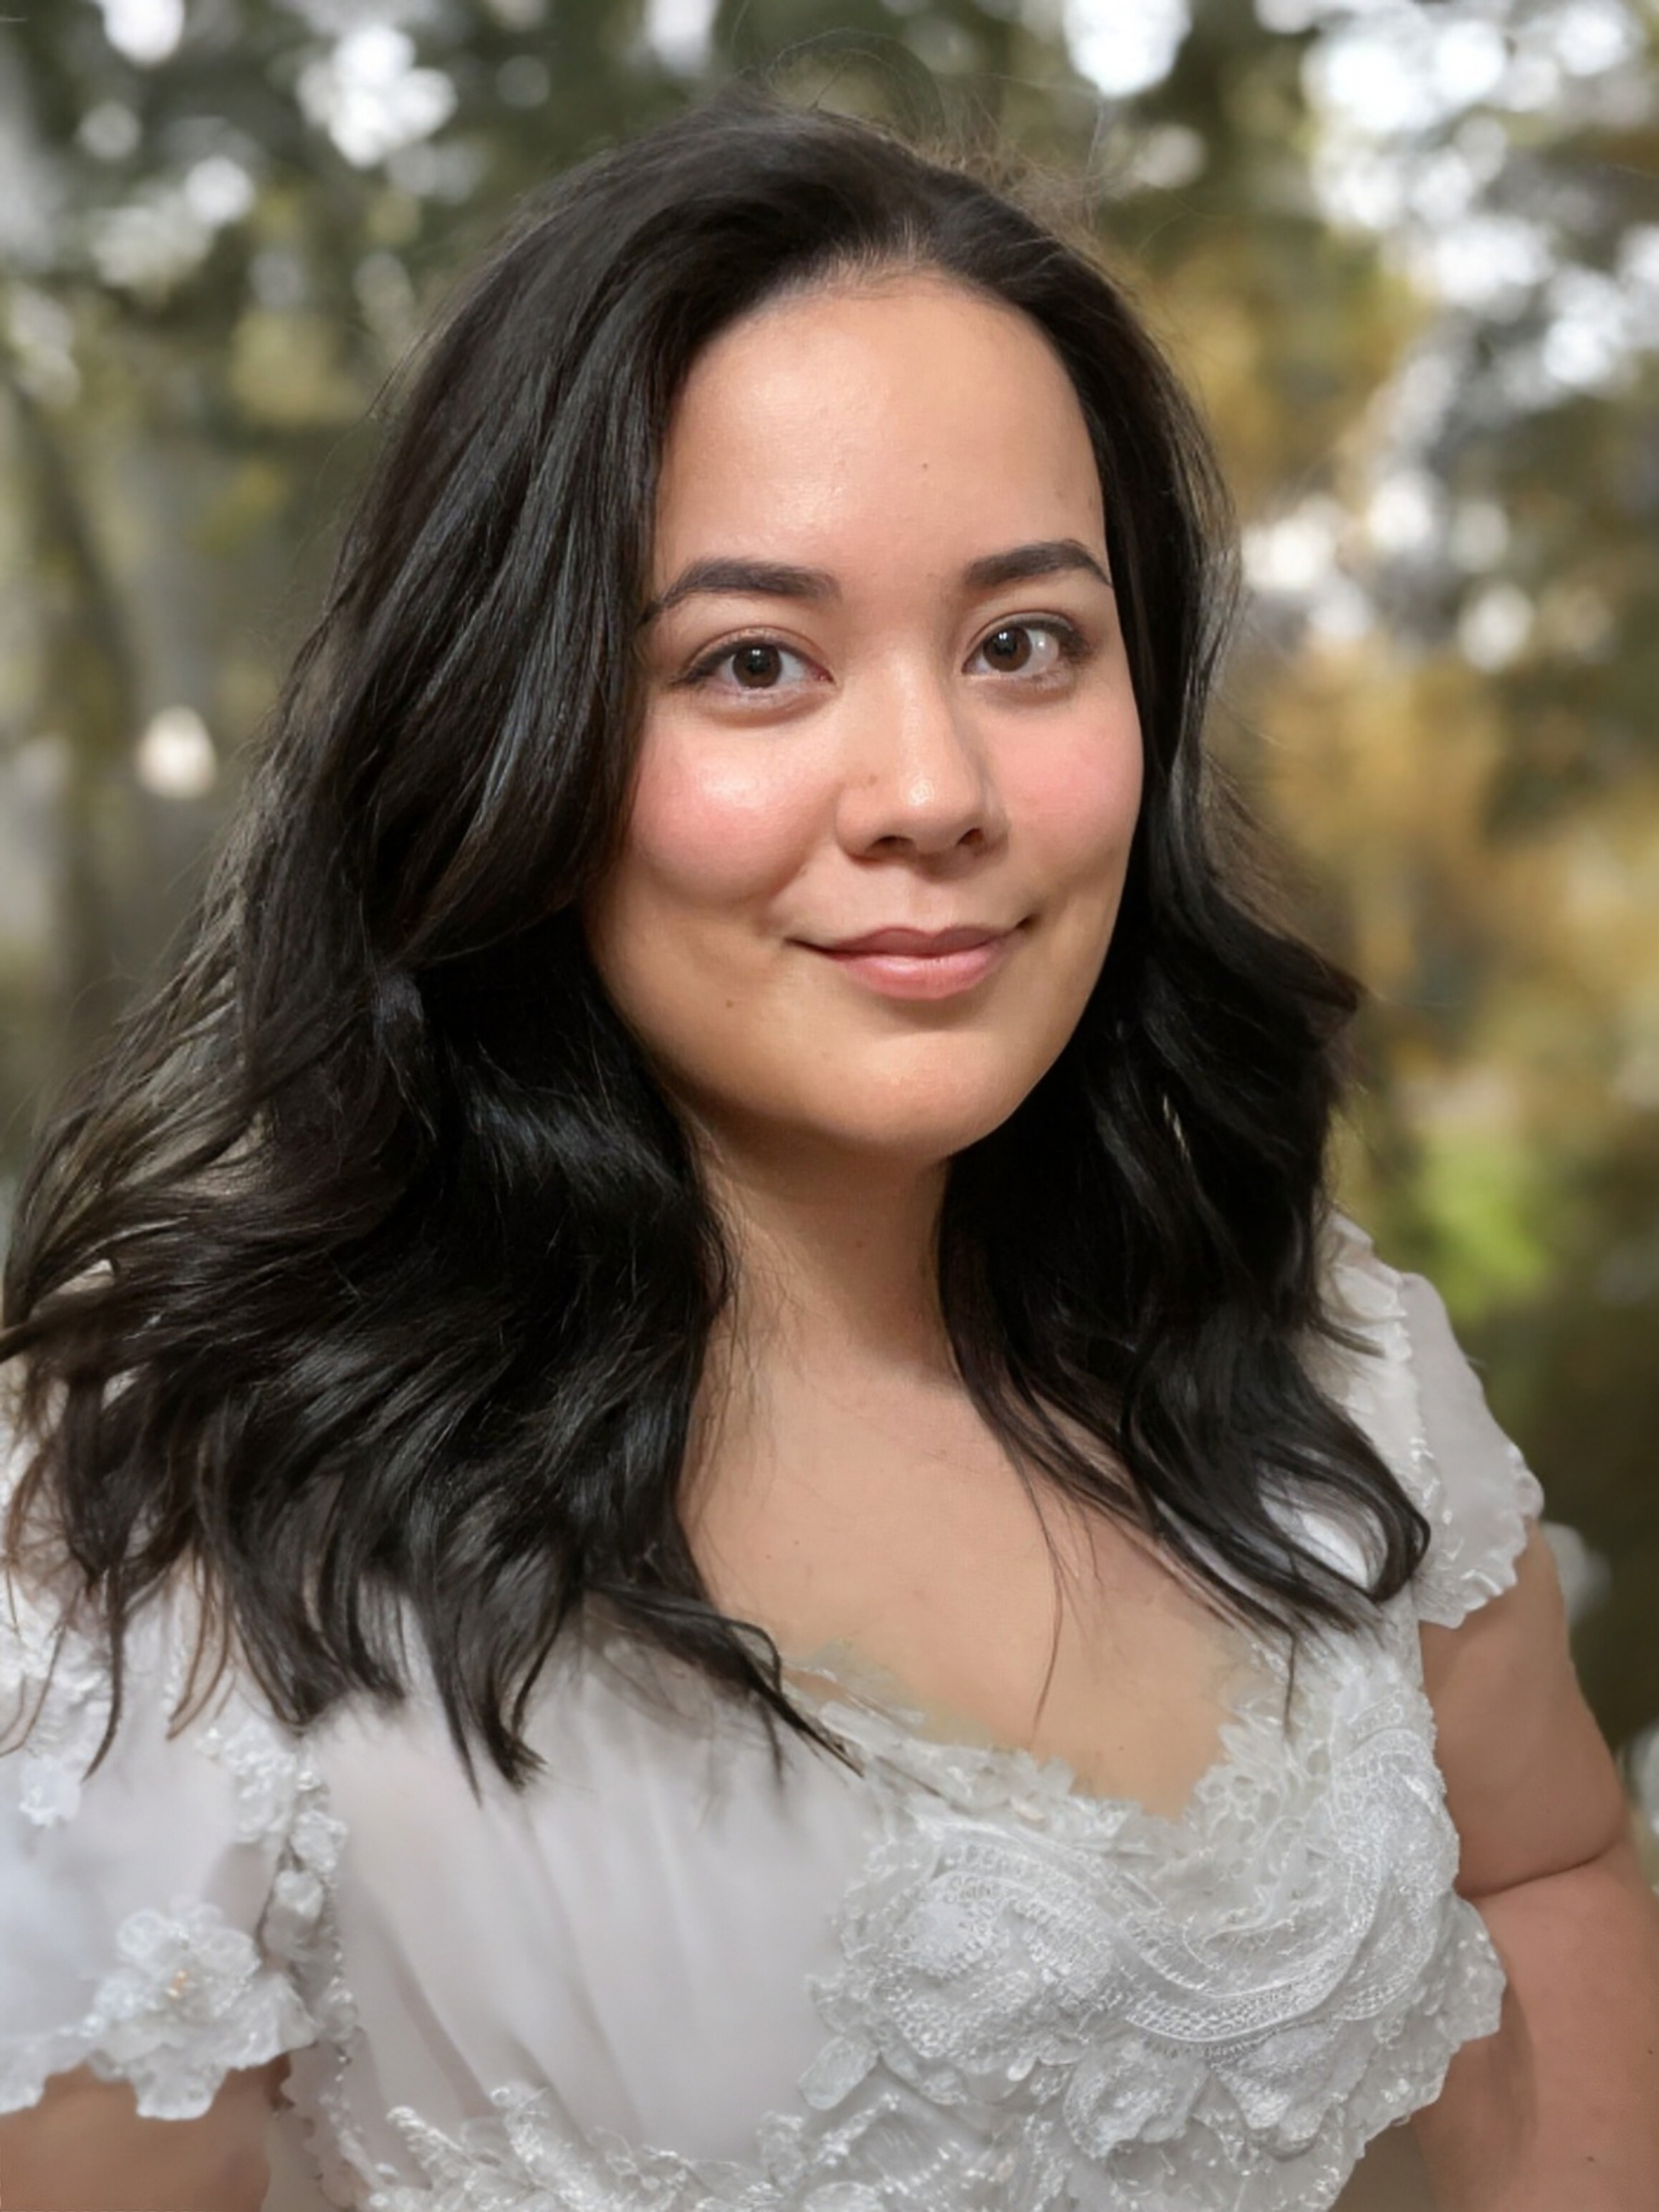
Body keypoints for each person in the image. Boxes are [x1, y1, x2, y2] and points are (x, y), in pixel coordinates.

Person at [1, 81, 1655, 2212]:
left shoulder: (1314, 1345)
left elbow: (1545, 1868)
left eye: (1022, 642)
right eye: (755, 662)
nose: (930, 786)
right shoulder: (159, 1538)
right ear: (513, 725)